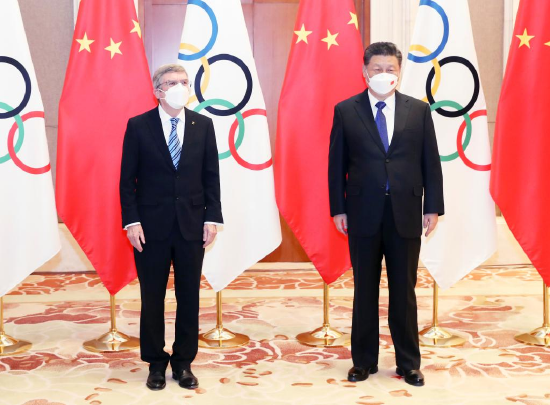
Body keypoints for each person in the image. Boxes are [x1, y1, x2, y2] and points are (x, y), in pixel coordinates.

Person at [328, 42, 444, 387]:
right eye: (376, 69)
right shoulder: (346, 110)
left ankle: (408, 362)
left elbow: (430, 162)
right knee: (365, 290)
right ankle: (363, 362)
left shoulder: (418, 111)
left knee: (404, 292)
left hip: (406, 212)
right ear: (365, 72)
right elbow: (336, 166)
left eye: (390, 69)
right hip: (362, 213)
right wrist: (338, 208)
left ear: (399, 71)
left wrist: (433, 206)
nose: (383, 74)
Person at [120, 64, 222, 391]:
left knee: (188, 296)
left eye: (183, 82)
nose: (179, 86)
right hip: (150, 227)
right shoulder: (138, 126)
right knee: (152, 297)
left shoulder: (203, 125)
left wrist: (212, 218)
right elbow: (127, 181)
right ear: (158, 91)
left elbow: (211, 177)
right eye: (171, 83)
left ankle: (183, 362)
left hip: (192, 225)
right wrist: (131, 221)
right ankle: (154, 362)